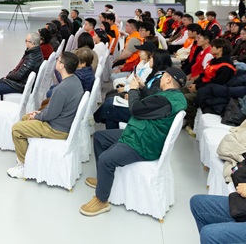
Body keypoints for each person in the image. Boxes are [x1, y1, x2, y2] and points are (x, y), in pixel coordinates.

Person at [79, 67, 187, 216]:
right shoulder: (174, 97)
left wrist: (133, 90)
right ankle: (102, 180)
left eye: (163, 76)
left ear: (169, 79)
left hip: (142, 143)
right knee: (100, 138)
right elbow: (152, 104)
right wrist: (143, 89)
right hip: (141, 134)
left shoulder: (165, 100)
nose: (161, 78)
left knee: (105, 160)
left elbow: (135, 109)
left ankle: (101, 200)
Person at [8, 51, 84, 179]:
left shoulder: (61, 89)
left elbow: (50, 115)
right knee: (26, 118)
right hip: (64, 123)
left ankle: (25, 166)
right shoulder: (75, 81)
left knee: (16, 129)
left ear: (62, 66)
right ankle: (28, 156)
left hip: (56, 129)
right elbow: (54, 109)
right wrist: (40, 113)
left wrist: (37, 116)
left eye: (58, 60)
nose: (56, 61)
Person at [0, 32, 44, 101]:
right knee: (2, 80)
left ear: (32, 44)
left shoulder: (31, 58)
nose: (25, 43)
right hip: (24, 81)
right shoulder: (36, 53)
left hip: (22, 85)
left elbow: (19, 75)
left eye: (26, 41)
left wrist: (8, 76)